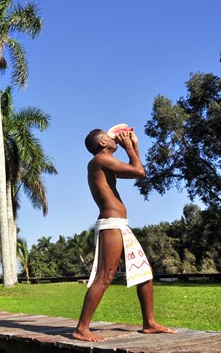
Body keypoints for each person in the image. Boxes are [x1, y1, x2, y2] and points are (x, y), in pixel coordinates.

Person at [72, 128, 177, 342]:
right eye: (109, 137)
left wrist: (134, 145)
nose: (114, 138)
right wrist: (129, 146)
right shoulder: (99, 161)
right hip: (111, 225)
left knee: (144, 272)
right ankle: (81, 329)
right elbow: (139, 172)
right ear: (102, 143)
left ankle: (149, 323)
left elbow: (137, 169)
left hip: (121, 225)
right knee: (106, 276)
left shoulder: (105, 162)